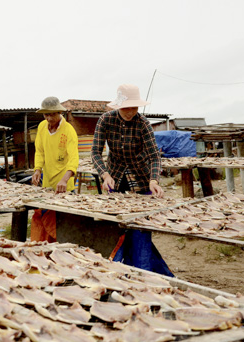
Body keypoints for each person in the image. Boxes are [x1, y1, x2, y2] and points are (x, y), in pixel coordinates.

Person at [91, 84, 172, 276]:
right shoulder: (105, 120)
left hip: (140, 176)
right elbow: (95, 152)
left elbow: (154, 156)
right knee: (116, 225)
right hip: (115, 177)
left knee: (140, 227)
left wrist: (154, 180)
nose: (130, 112)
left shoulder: (143, 123)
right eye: (127, 107)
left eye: (134, 108)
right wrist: (105, 174)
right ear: (119, 106)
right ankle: (117, 270)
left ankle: (143, 271)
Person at [30, 96, 79, 242]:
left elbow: (74, 158)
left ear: (59, 112)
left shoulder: (69, 130)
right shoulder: (41, 127)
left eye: (52, 114)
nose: (49, 118)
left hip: (65, 185)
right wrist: (37, 169)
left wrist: (64, 179)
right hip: (48, 184)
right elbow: (39, 151)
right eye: (46, 114)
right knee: (46, 223)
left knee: (64, 226)